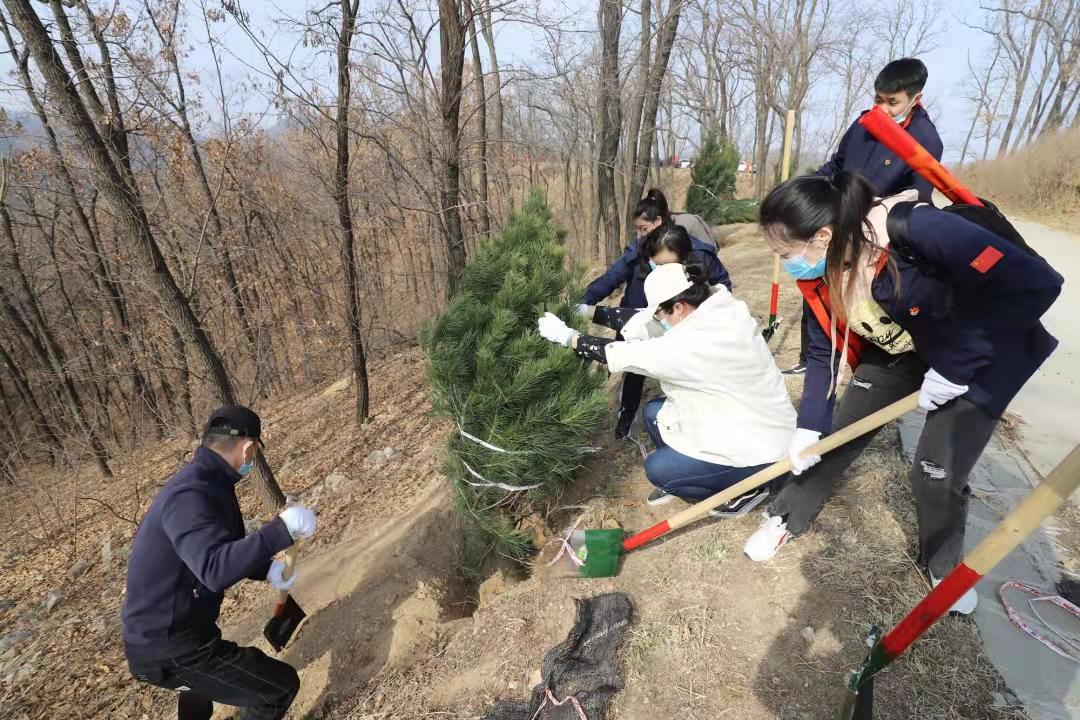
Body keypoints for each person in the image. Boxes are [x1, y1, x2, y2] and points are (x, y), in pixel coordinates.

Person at [743, 172, 1062, 615]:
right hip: (906, 346)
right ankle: (784, 515)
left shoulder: (916, 229)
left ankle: (945, 568)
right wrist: (809, 426)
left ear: (822, 235)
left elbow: (1036, 282)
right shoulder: (822, 271)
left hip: (983, 350)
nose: (786, 262)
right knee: (835, 435)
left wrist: (956, 366)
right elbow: (822, 354)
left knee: (935, 468)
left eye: (786, 252)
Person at [541, 263, 794, 516]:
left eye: (659, 314)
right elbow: (640, 319)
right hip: (737, 416)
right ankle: (698, 471)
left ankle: (746, 488)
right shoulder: (715, 306)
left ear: (679, 307)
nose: (657, 320)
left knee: (658, 469)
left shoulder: (693, 343)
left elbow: (626, 354)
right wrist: (587, 311)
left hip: (760, 448)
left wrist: (569, 337)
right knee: (654, 412)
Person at [122, 405, 317, 720]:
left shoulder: (209, 483)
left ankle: (192, 691)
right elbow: (214, 569)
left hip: (169, 637)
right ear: (249, 447)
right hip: (171, 647)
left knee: (199, 700)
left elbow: (219, 547)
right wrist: (280, 530)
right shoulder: (190, 495)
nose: (253, 461)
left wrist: (268, 569)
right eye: (254, 453)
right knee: (278, 688)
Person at [784, 57, 943, 376]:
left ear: (916, 98)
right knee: (815, 289)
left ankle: (876, 369)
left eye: (892, 103)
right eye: (877, 99)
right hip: (836, 221)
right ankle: (815, 358)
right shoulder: (863, 124)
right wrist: (802, 189)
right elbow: (837, 165)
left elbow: (916, 202)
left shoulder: (925, 140)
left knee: (863, 308)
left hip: (875, 242)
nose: (882, 109)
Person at [582, 193, 732, 439]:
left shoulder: (698, 254)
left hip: (679, 326)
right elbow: (611, 278)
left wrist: (702, 317)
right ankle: (626, 415)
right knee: (632, 368)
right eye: (638, 230)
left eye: (643, 228)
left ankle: (689, 418)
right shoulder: (639, 250)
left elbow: (722, 286)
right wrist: (583, 302)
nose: (640, 235)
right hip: (638, 318)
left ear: (659, 221)